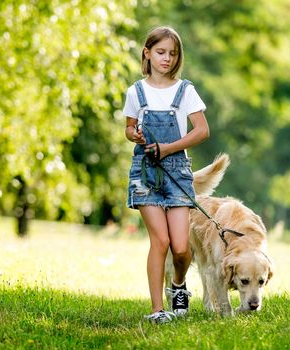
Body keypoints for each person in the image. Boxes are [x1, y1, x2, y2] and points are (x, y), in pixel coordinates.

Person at [122, 26, 210, 324]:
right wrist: (133, 134)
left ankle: (178, 284)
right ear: (147, 52)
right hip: (145, 172)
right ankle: (158, 310)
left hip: (177, 173)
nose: (167, 59)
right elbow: (129, 127)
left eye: (172, 54)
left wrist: (169, 147)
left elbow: (202, 131)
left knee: (181, 247)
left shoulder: (185, 90)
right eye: (161, 52)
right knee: (159, 241)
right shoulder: (135, 91)